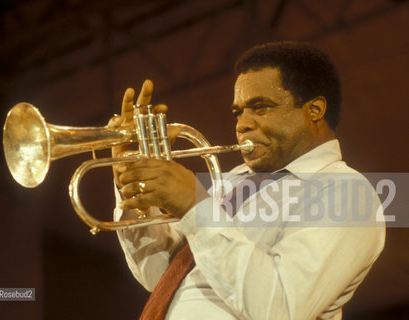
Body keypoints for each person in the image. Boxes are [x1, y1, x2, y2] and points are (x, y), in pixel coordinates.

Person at [110, 41, 385, 319]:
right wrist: (132, 186)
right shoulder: (232, 181)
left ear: (314, 110)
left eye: (260, 107)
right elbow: (161, 278)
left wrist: (195, 206)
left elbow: (281, 309)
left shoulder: (347, 191)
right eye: (238, 111)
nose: (242, 124)